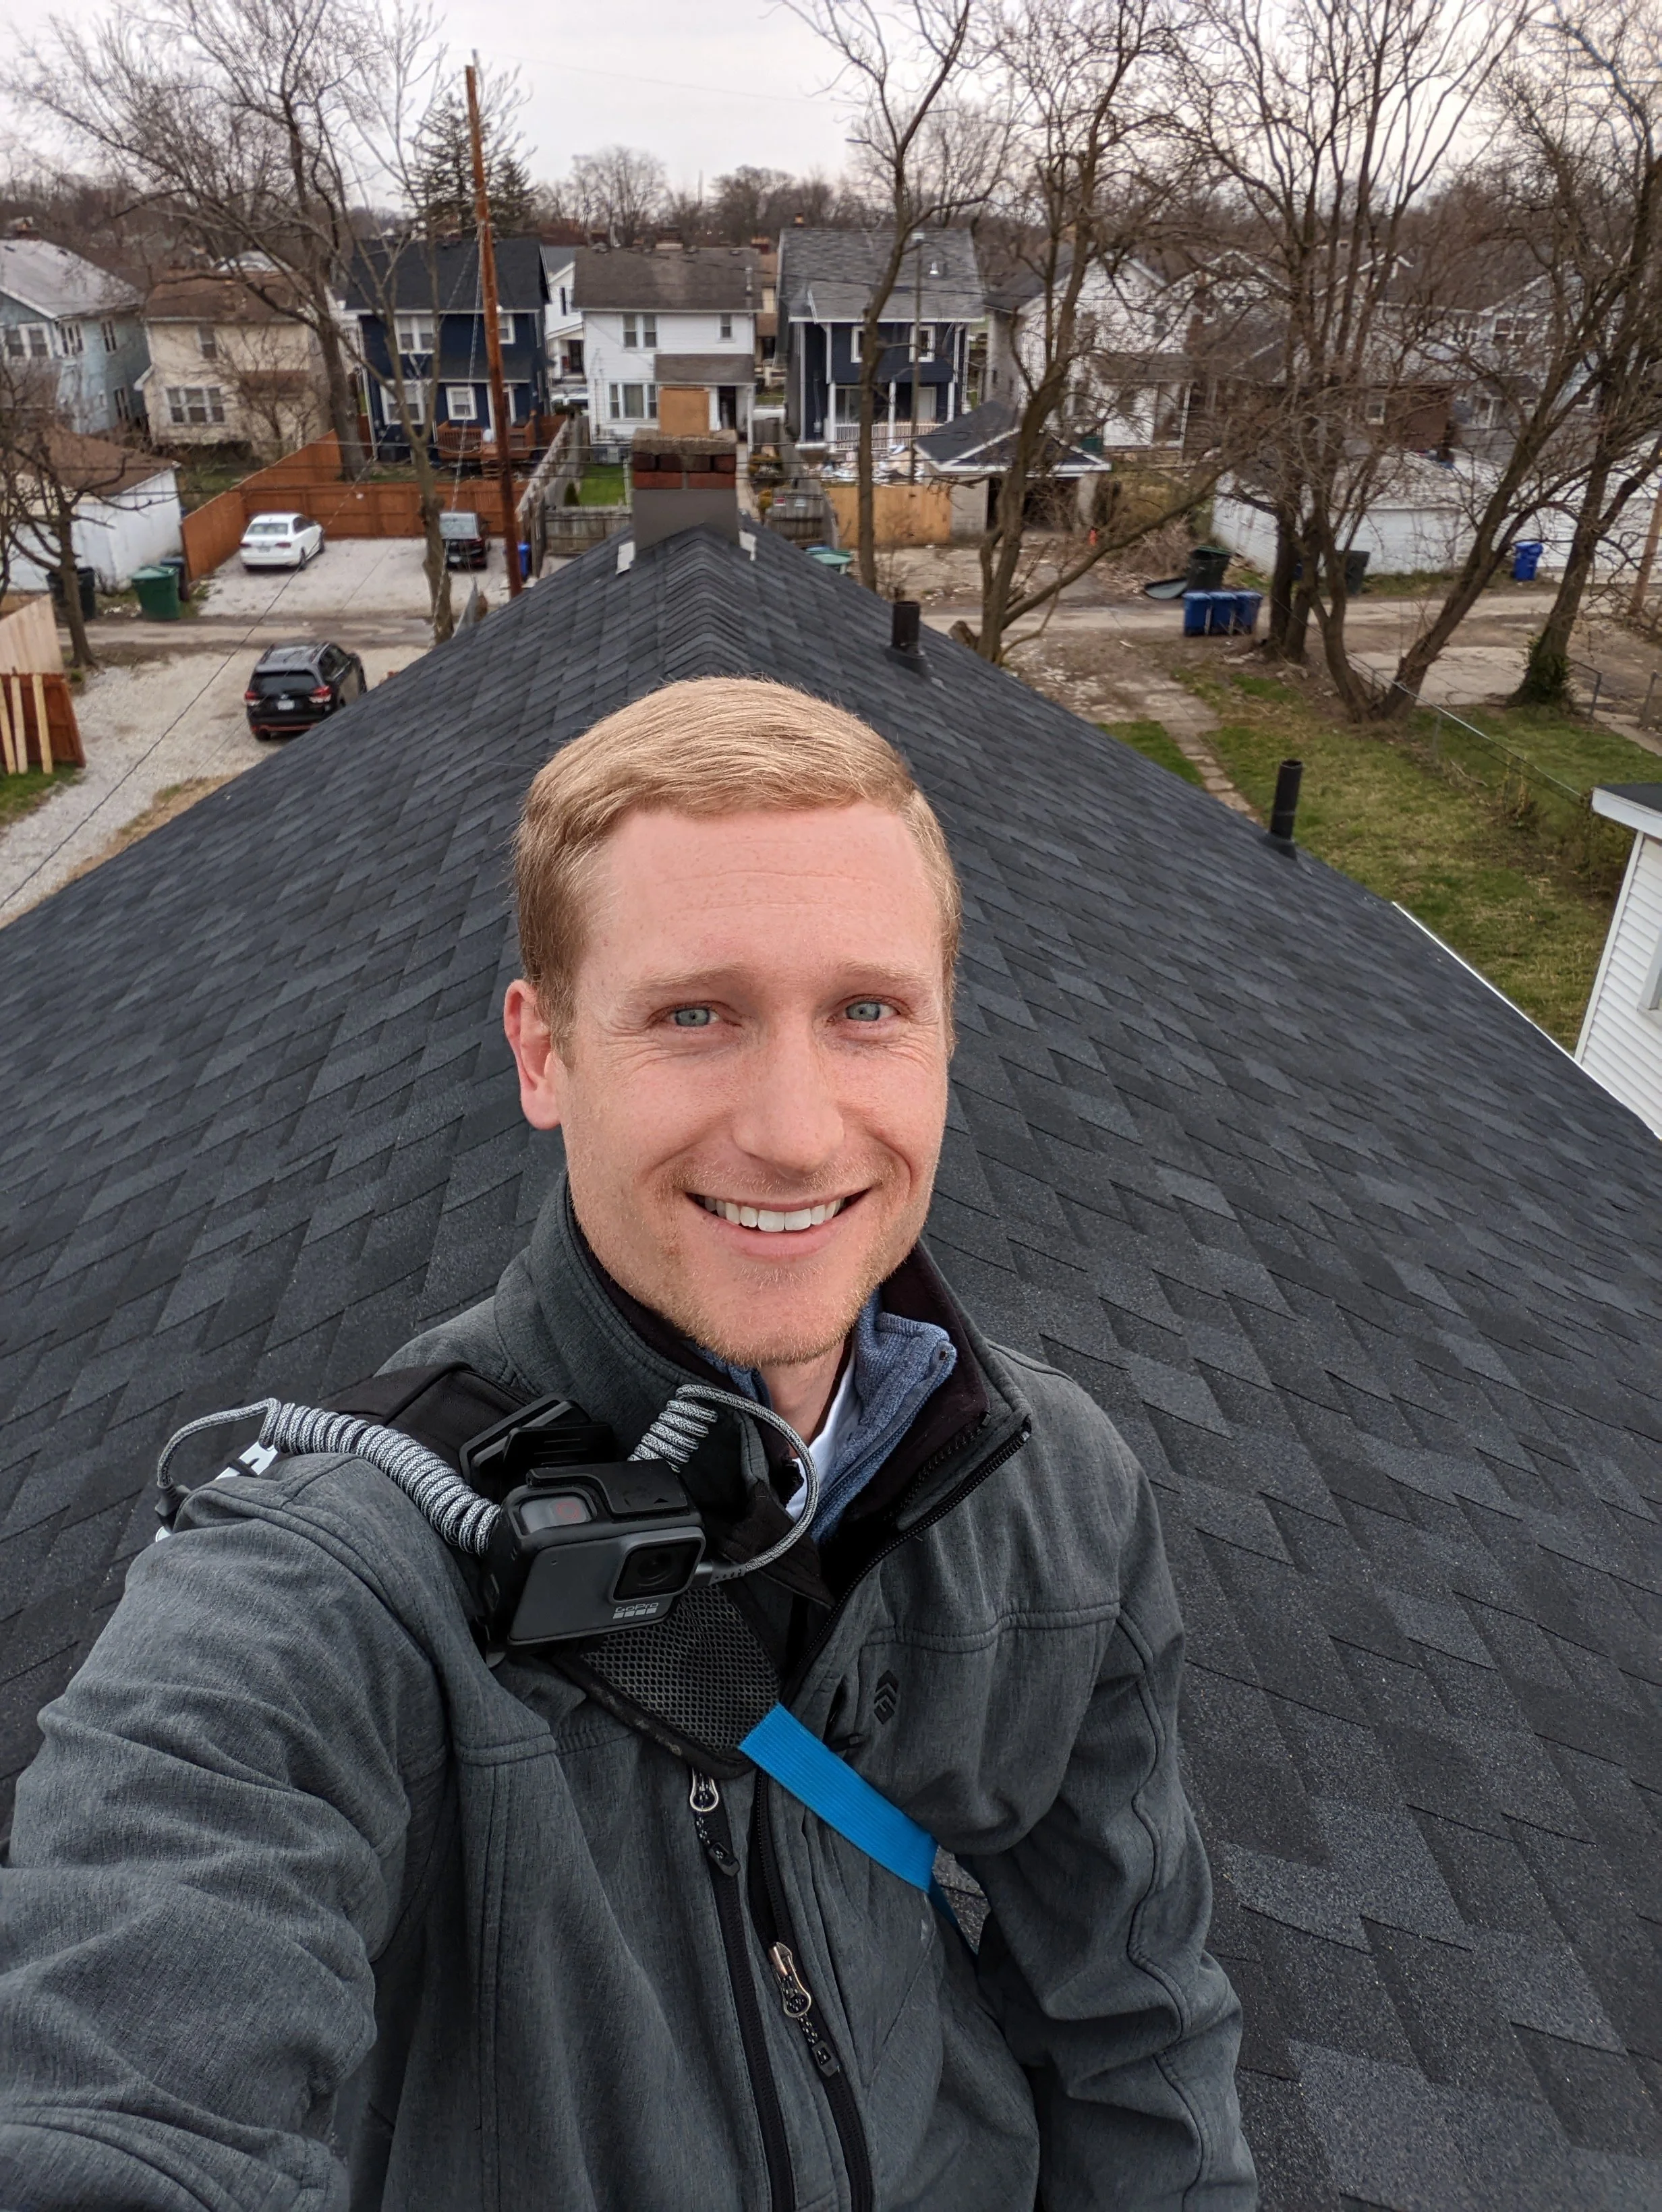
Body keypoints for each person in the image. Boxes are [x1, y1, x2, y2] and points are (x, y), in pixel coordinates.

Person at [0, 676, 1256, 2210]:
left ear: (942, 1036)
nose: (796, 1129)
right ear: (541, 1054)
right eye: (692, 1015)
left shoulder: (1053, 1486)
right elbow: (118, 2074)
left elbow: (1136, 2021)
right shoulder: (335, 1587)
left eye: (865, 1009)